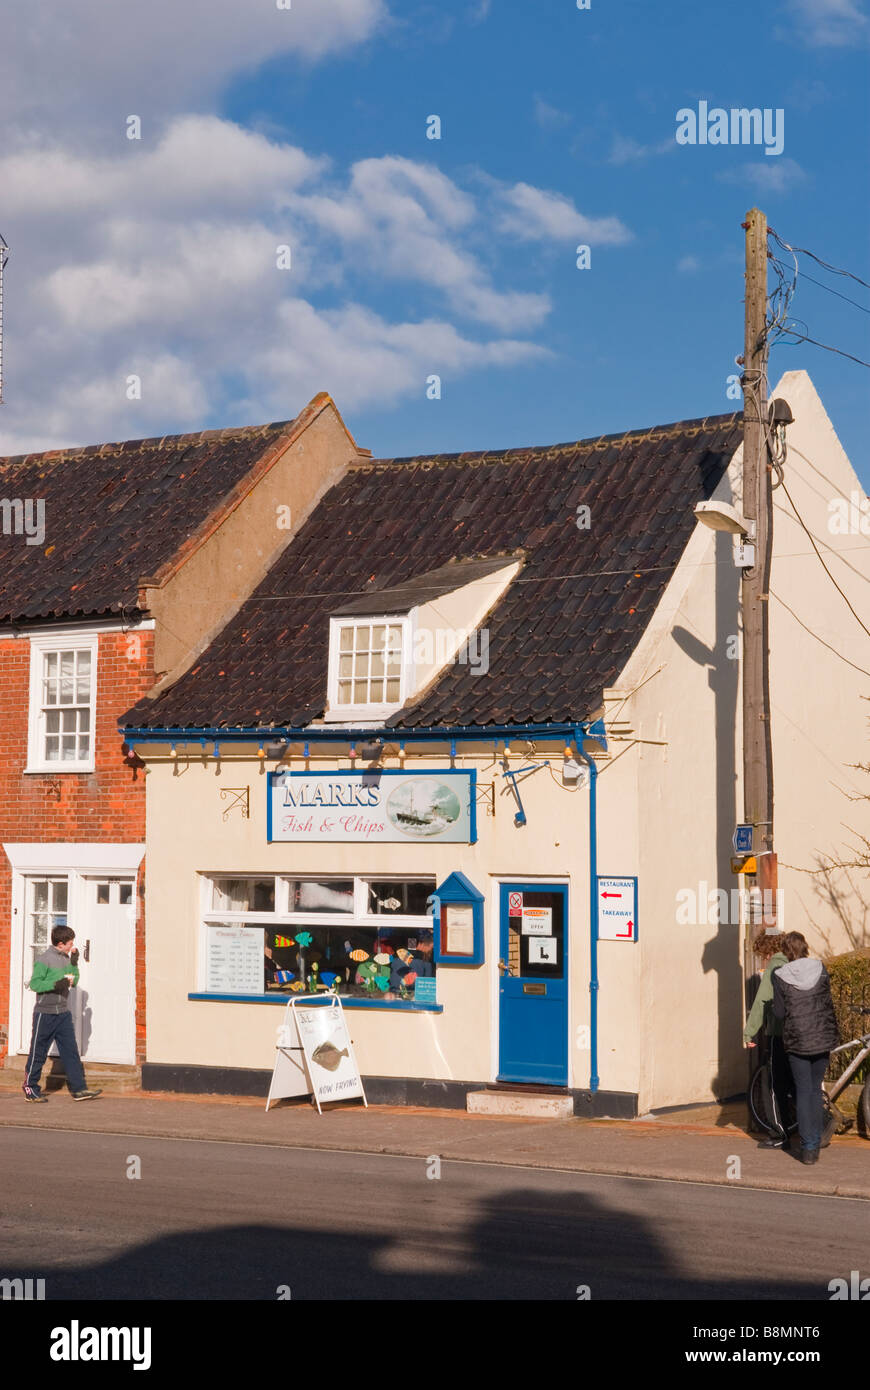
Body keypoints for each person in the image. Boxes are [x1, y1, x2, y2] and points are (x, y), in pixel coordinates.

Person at [772, 931, 840, 1165]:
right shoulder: (820, 968)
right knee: (814, 1089)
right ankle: (816, 1139)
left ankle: (809, 1149)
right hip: (822, 1037)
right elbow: (827, 1001)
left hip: (798, 1040)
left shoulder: (779, 975)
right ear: (805, 947)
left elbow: (780, 1013)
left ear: (786, 951)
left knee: (803, 1091)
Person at [23, 926, 102, 1103]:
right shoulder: (44, 960)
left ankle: (79, 1089)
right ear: (61, 944)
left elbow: (74, 982)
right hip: (45, 1014)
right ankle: (30, 1088)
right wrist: (55, 983)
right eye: (70, 943)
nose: (73, 945)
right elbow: (35, 984)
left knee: (71, 1052)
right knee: (38, 1052)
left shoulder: (66, 959)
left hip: (63, 1014)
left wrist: (74, 963)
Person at [743, 929, 791, 1149]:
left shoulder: (775, 965)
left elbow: (762, 1000)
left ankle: (778, 1134)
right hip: (799, 1033)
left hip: (778, 1032)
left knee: (772, 1084)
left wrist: (750, 1031)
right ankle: (796, 1128)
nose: (763, 959)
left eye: (763, 954)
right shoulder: (796, 961)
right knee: (793, 1081)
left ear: (768, 949)